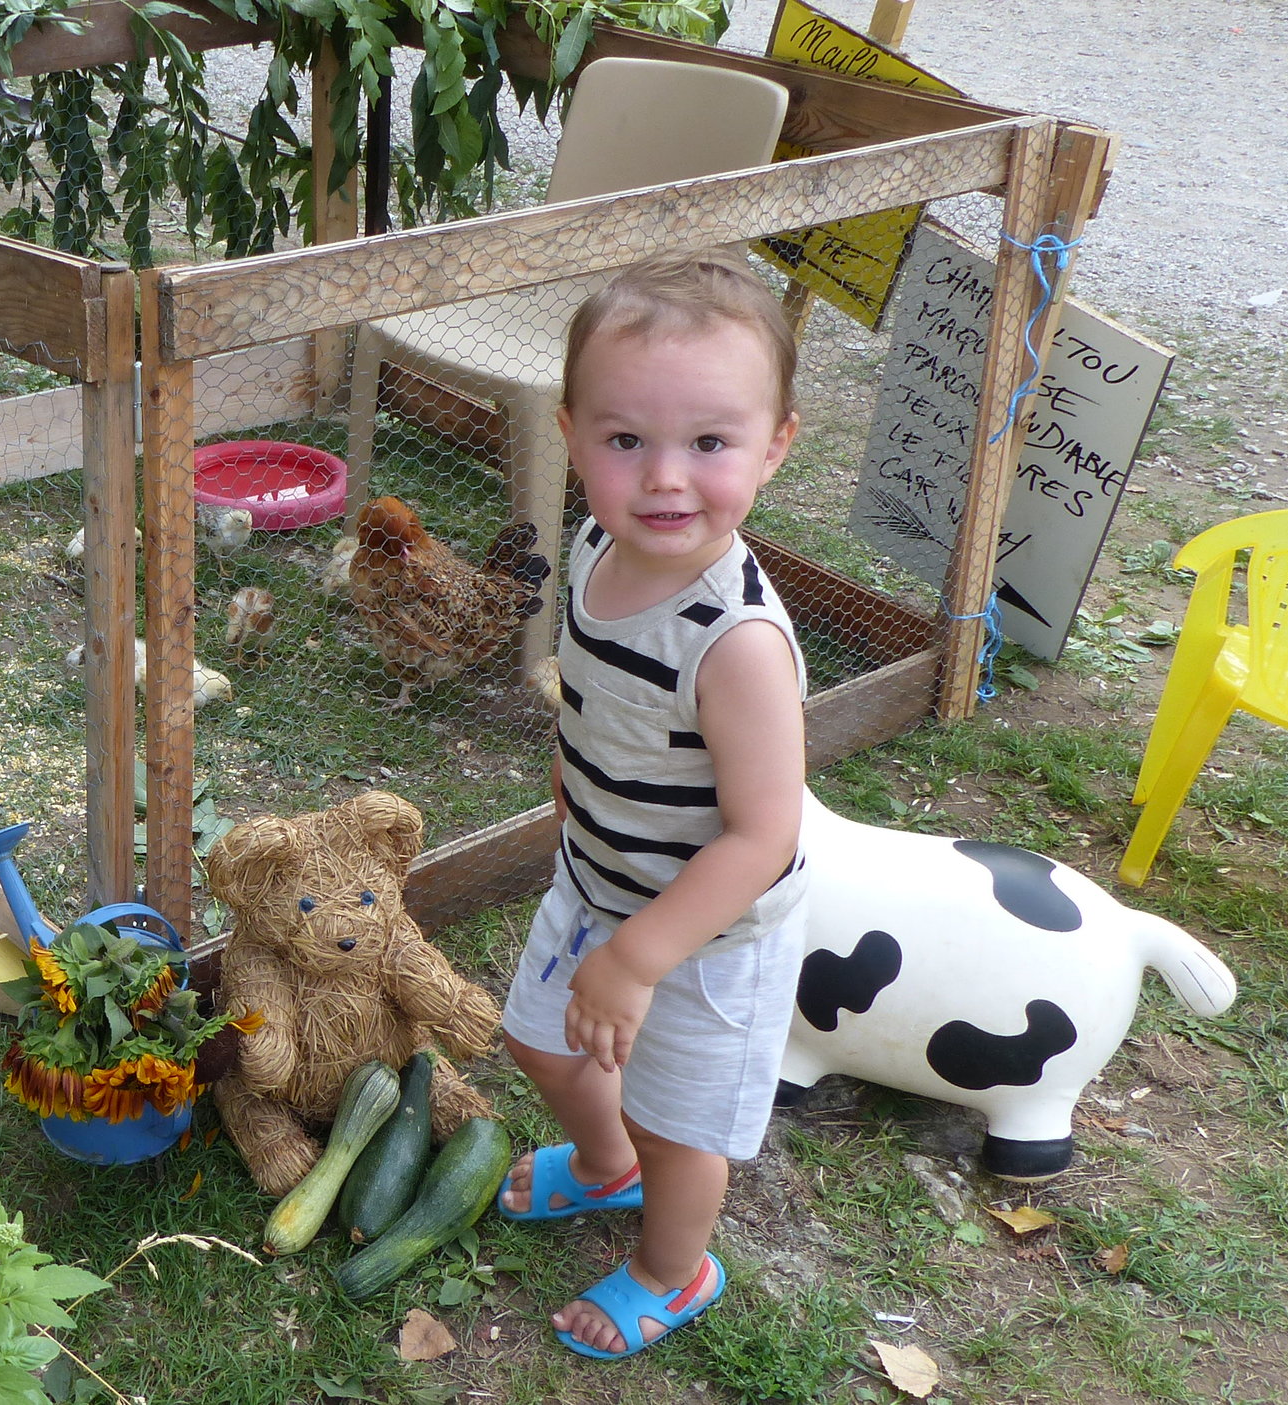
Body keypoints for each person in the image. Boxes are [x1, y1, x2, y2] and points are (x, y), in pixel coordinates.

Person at [497, 250, 809, 1360]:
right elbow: (594, 701)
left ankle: (673, 1269)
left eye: (710, 443)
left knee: (679, 1125)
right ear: (573, 433)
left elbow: (763, 835)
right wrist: (573, 797)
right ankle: (600, 1166)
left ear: (774, 444)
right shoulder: (595, 545)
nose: (666, 478)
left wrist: (638, 958)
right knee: (540, 1041)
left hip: (708, 934)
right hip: (595, 880)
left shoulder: (739, 646)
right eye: (627, 441)